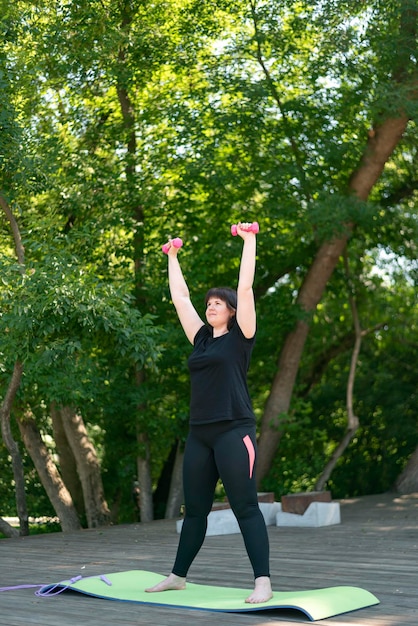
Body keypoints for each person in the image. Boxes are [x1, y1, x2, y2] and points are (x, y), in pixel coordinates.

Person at [145, 223, 272, 604]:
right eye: (209, 303)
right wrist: (172, 257)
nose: (210, 305)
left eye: (218, 302)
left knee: (245, 507)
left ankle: (262, 582)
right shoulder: (200, 339)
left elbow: (246, 288)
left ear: (232, 312)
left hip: (235, 432)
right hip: (200, 434)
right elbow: (180, 298)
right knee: (195, 510)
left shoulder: (241, 337)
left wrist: (249, 241)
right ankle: (177, 576)